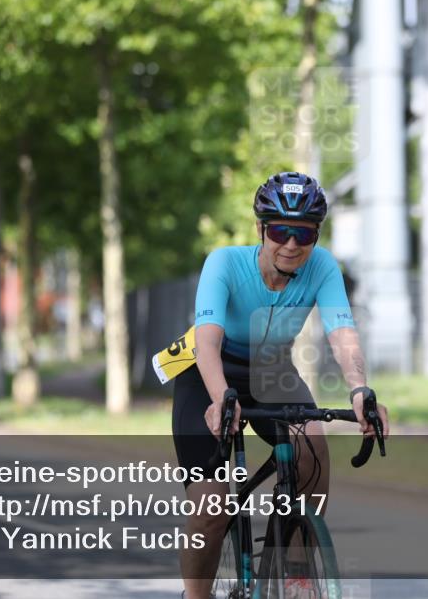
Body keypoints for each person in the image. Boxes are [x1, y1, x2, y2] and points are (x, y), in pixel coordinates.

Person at [168, 171, 390, 599]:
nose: (291, 244)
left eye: (303, 233)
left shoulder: (322, 266)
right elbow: (206, 341)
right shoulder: (224, 263)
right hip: (208, 372)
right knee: (211, 508)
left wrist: (360, 390)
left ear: (316, 235)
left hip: (271, 371)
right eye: (280, 232)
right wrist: (220, 399)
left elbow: (343, 333)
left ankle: (296, 571)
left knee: (312, 447)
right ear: (261, 229)